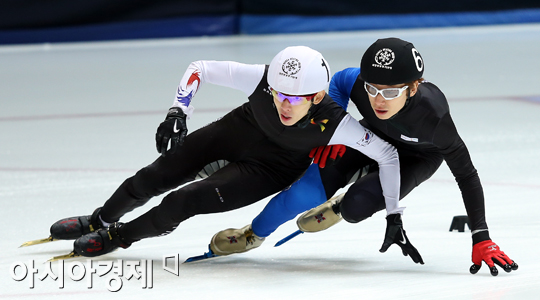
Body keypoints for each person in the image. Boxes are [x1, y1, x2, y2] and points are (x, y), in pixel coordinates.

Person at [47, 46, 409, 259]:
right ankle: (100, 220)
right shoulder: (261, 79)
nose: (282, 103)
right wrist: (178, 112)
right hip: (238, 130)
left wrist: (393, 211)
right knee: (151, 177)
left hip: (270, 168)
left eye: (293, 99)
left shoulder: (338, 125)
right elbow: (199, 69)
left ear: (317, 97)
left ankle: (119, 236)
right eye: (277, 93)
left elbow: (389, 156)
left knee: (181, 201)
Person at [209, 38, 518, 276]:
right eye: (372, 88)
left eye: (391, 93)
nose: (378, 100)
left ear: (414, 87)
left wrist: (482, 237)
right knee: (303, 194)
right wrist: (333, 124)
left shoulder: (434, 119)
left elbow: (466, 174)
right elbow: (342, 80)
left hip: (417, 158)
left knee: (357, 207)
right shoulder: (360, 84)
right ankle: (252, 233)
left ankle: (341, 205)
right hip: (370, 137)